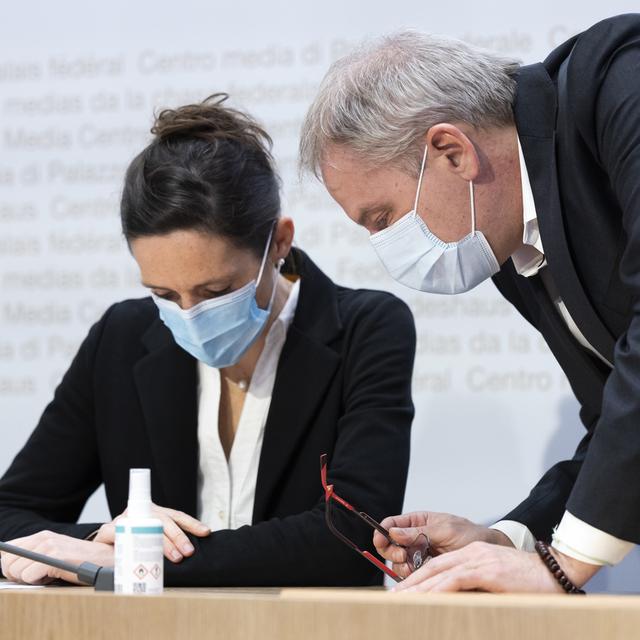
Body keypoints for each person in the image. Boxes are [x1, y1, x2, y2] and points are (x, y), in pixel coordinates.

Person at [0, 95, 416, 587]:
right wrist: (100, 541)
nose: (190, 314)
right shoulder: (122, 337)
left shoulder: (366, 328)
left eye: (216, 291)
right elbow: (12, 513)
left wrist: (144, 556)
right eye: (163, 293)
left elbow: (354, 535)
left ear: (279, 242)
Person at [299, 14, 640, 593]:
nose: (383, 246)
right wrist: (511, 539)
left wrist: (562, 568)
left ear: (452, 151)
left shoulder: (619, 79)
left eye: (382, 219)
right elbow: (616, 416)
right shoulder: (509, 242)